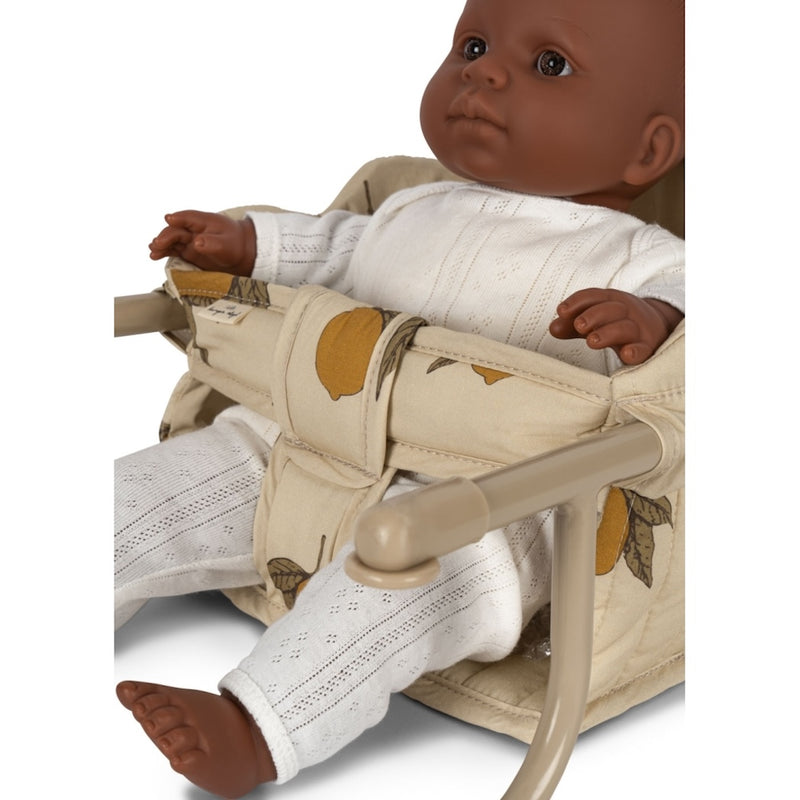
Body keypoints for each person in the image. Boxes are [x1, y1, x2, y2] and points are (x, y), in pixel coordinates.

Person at [116, 0, 685, 796]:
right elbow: (337, 248)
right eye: (473, 46)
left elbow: (698, 319)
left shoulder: (641, 255)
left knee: (404, 593)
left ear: (648, 149)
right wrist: (248, 242)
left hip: (484, 504)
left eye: (548, 64)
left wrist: (654, 319)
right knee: (149, 491)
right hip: (303, 438)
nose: (486, 73)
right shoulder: (414, 203)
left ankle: (258, 727)